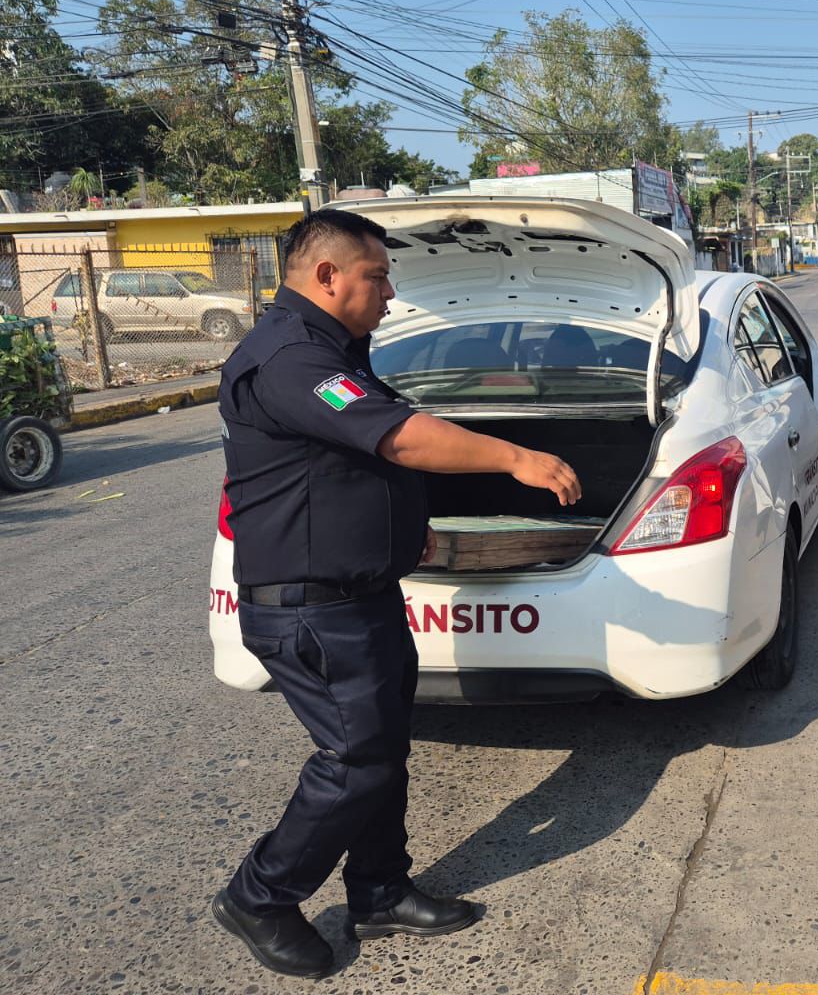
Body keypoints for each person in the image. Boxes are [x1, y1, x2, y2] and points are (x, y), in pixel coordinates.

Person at [211, 208, 582, 979]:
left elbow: (349, 468)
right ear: (327, 276)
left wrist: (404, 528)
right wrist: (515, 457)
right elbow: (399, 436)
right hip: (312, 607)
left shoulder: (331, 351)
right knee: (356, 761)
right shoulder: (290, 359)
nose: (389, 293)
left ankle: (379, 891)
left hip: (361, 596)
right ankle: (259, 895)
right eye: (377, 277)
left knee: (381, 750)